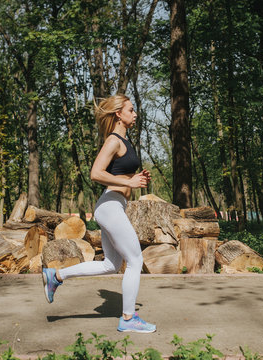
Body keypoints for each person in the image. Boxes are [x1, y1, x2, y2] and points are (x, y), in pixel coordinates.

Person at [42, 94, 156, 333]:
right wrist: (129, 182)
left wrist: (136, 179)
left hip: (113, 206)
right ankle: (128, 319)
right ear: (119, 114)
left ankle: (56, 276)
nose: (135, 114)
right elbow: (95, 173)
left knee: (111, 265)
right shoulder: (113, 141)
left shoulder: (126, 140)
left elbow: (121, 175)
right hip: (109, 206)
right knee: (135, 260)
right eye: (131, 110)